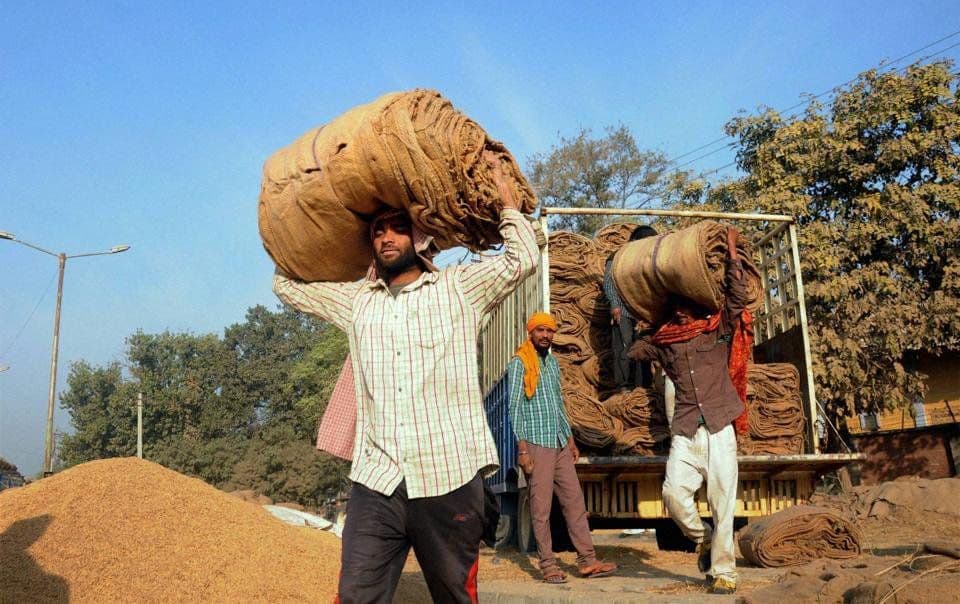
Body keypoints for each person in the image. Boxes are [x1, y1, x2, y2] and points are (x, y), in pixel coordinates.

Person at [273, 153, 539, 604]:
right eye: (377, 231)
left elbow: (523, 259)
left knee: (455, 595)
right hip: (377, 480)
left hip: (448, 476)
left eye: (397, 228)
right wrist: (298, 222)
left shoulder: (459, 289)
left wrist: (505, 196)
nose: (386, 237)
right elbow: (286, 286)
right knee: (355, 596)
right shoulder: (358, 302)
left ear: (420, 237)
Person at [627, 227, 751, 595]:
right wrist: (650, 320)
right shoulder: (664, 343)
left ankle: (724, 573)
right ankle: (703, 537)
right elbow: (634, 350)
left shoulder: (715, 330)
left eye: (685, 304)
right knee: (673, 495)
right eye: (674, 307)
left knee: (722, 501)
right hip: (685, 430)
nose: (681, 311)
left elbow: (737, 299)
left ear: (696, 304)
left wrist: (732, 253)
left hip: (719, 427)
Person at [506, 311, 618, 584]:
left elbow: (558, 404)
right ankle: (548, 565)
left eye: (549, 331)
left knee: (574, 502)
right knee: (541, 509)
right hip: (536, 443)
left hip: (558, 443)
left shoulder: (553, 364)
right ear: (531, 333)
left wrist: (569, 439)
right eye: (540, 331)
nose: (545, 335)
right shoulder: (520, 363)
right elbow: (514, 408)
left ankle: (587, 560)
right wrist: (522, 449)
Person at [602, 225, 658, 392]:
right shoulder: (617, 257)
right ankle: (624, 386)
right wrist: (614, 305)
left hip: (642, 313)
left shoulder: (648, 259)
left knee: (644, 346)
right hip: (623, 311)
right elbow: (609, 282)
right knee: (624, 347)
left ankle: (643, 386)